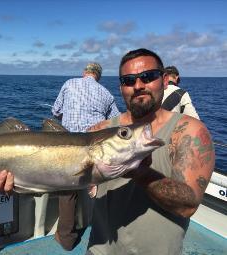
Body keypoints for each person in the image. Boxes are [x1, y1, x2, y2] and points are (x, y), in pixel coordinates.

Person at [85, 48, 215, 254]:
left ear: (164, 80)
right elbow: (70, 178)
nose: (138, 86)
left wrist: (140, 173)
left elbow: (187, 206)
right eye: (128, 80)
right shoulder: (99, 131)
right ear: (121, 87)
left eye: (148, 77)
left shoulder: (189, 132)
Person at [51, 62, 120, 250]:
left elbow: (55, 111)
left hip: (70, 149)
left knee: (67, 194)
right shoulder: (107, 94)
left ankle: (66, 238)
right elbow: (116, 122)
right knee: (101, 191)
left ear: (85, 73)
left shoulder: (69, 84)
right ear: (98, 76)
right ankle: (104, 236)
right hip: (96, 150)